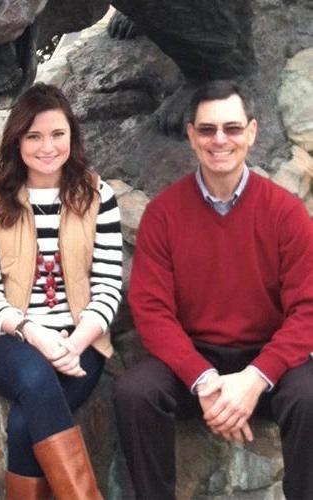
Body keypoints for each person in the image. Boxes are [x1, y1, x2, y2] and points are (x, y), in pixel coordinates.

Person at [114, 80, 313, 500]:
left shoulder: (287, 213)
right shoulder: (163, 214)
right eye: (207, 130)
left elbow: (307, 311)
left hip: (267, 361)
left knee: (311, 396)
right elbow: (151, 310)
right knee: (135, 393)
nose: (220, 140)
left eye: (232, 128)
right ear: (190, 135)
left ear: (252, 132)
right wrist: (204, 380)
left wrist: (254, 380)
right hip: (195, 358)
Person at [0, 83, 123, 500]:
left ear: (72, 136)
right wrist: (33, 332)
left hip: (81, 339)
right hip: (8, 339)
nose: (47, 146)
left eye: (57, 134)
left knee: (23, 424)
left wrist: (75, 343)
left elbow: (108, 284)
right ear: (17, 141)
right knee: (35, 376)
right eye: (33, 136)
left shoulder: (97, 195)